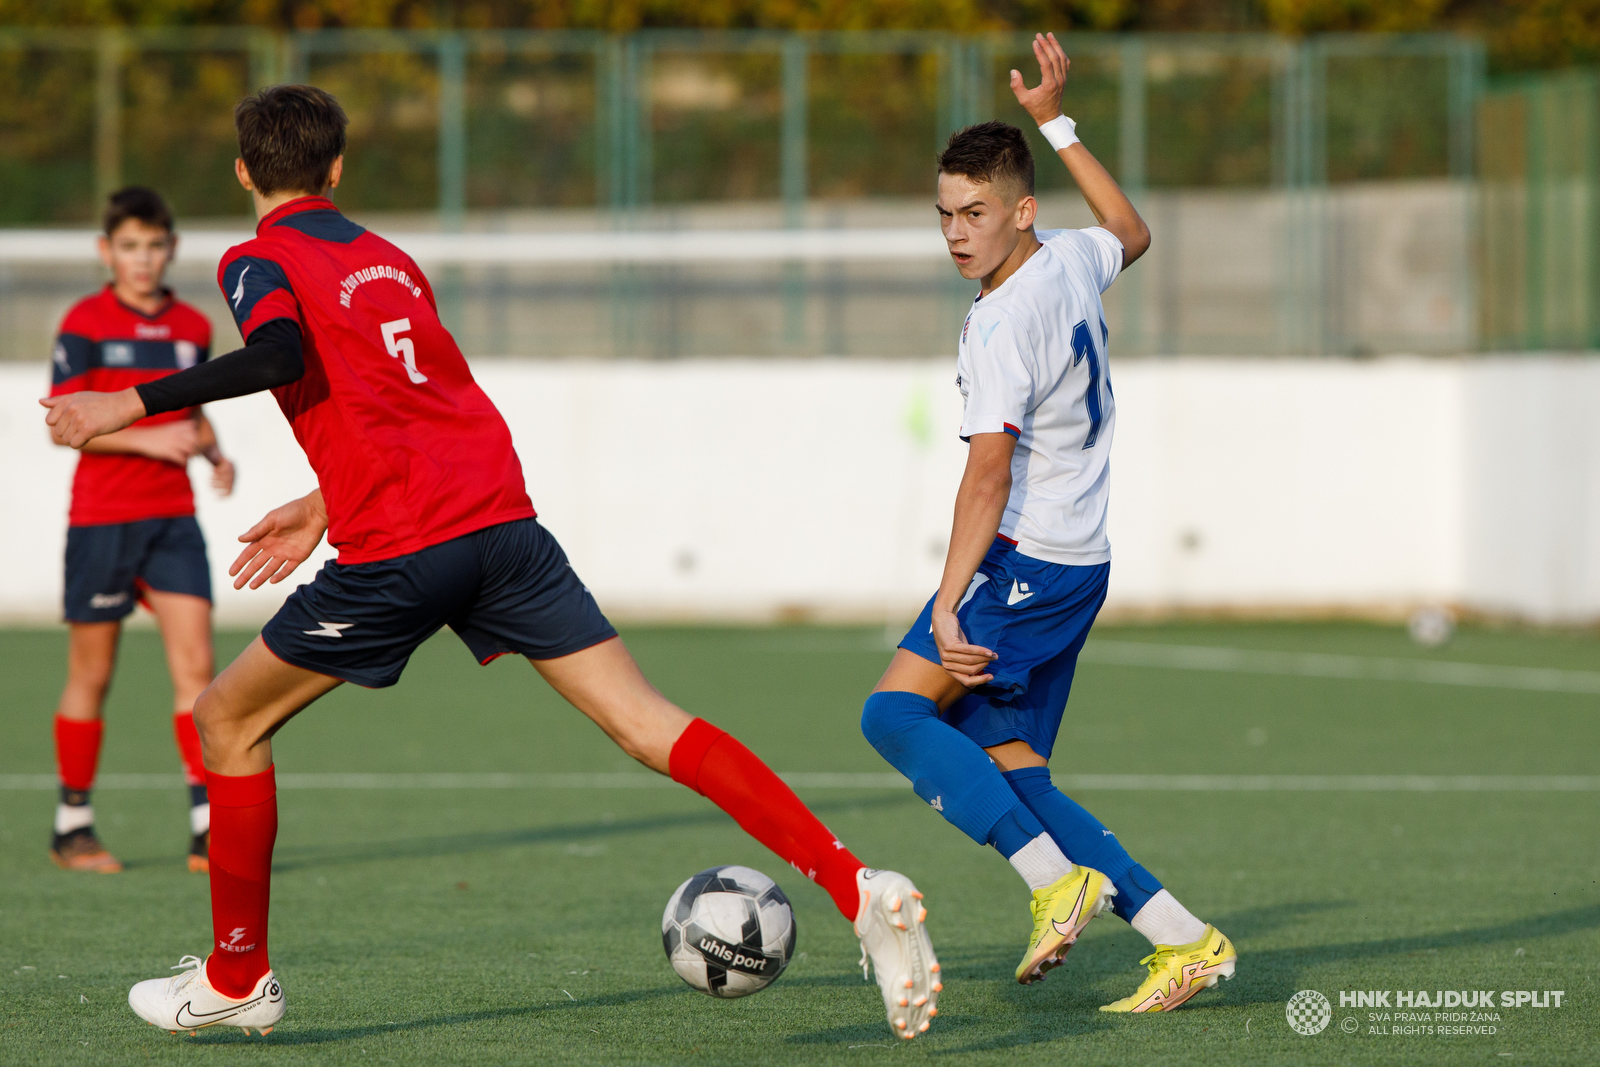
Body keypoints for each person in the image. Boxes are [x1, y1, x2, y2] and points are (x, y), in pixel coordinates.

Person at [42, 84, 939, 1041]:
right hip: (501, 523)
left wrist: (125, 405)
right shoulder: (387, 259)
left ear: (242, 172)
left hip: (408, 545)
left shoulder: (256, 255)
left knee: (225, 718)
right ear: (339, 169)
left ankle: (237, 975)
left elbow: (276, 353)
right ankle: (854, 881)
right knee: (648, 724)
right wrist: (320, 503)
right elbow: (418, 401)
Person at [858, 34, 1237, 1013]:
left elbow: (985, 475)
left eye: (975, 213)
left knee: (893, 713)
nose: (955, 233)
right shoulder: (1068, 257)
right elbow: (1132, 228)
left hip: (1026, 561)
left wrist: (947, 604)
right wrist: (1055, 121)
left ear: (1018, 213)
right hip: (1080, 561)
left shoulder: (999, 322)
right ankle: (1183, 940)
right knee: (1013, 769)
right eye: (944, 214)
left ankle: (1051, 881)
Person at [47, 187, 236, 875]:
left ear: (172, 249)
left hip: (174, 524)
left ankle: (207, 826)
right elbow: (67, 424)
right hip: (103, 520)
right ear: (107, 252)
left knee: (197, 671)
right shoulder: (84, 321)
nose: (143, 258)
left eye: (154, 245)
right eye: (129, 246)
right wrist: (150, 444)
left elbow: (194, 407)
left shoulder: (191, 324)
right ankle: (73, 824)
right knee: (92, 674)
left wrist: (214, 452)